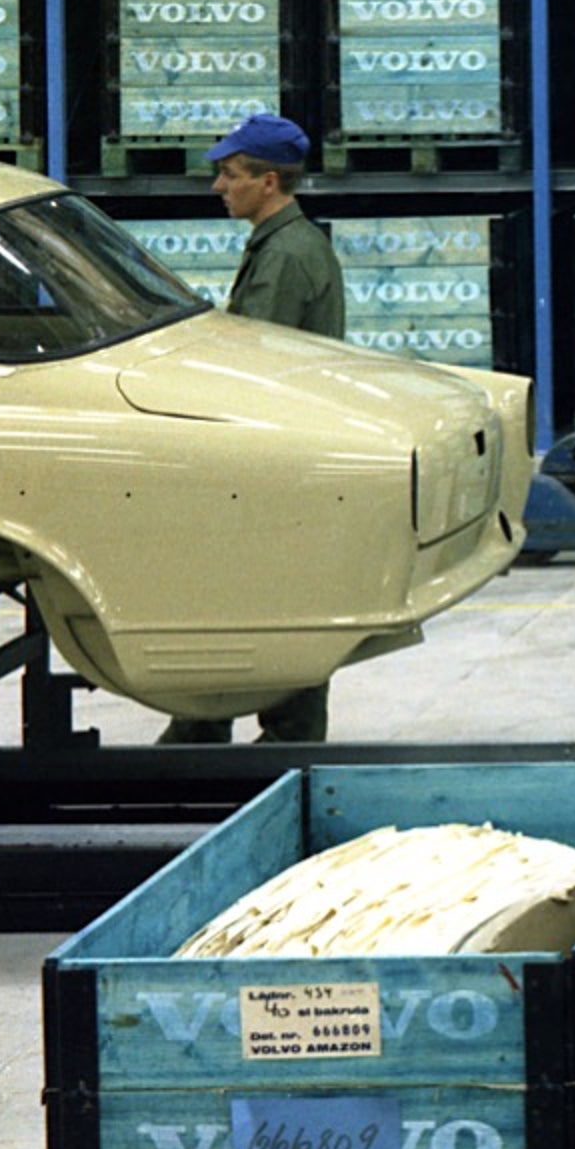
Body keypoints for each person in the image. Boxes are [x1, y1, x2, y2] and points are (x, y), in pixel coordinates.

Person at [163, 113, 345, 746]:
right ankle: (221, 732)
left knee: (255, 601)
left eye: (230, 175)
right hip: (287, 458)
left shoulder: (289, 257)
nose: (219, 187)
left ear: (268, 182)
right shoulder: (282, 246)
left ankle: (223, 737)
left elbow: (256, 373)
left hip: (277, 465)